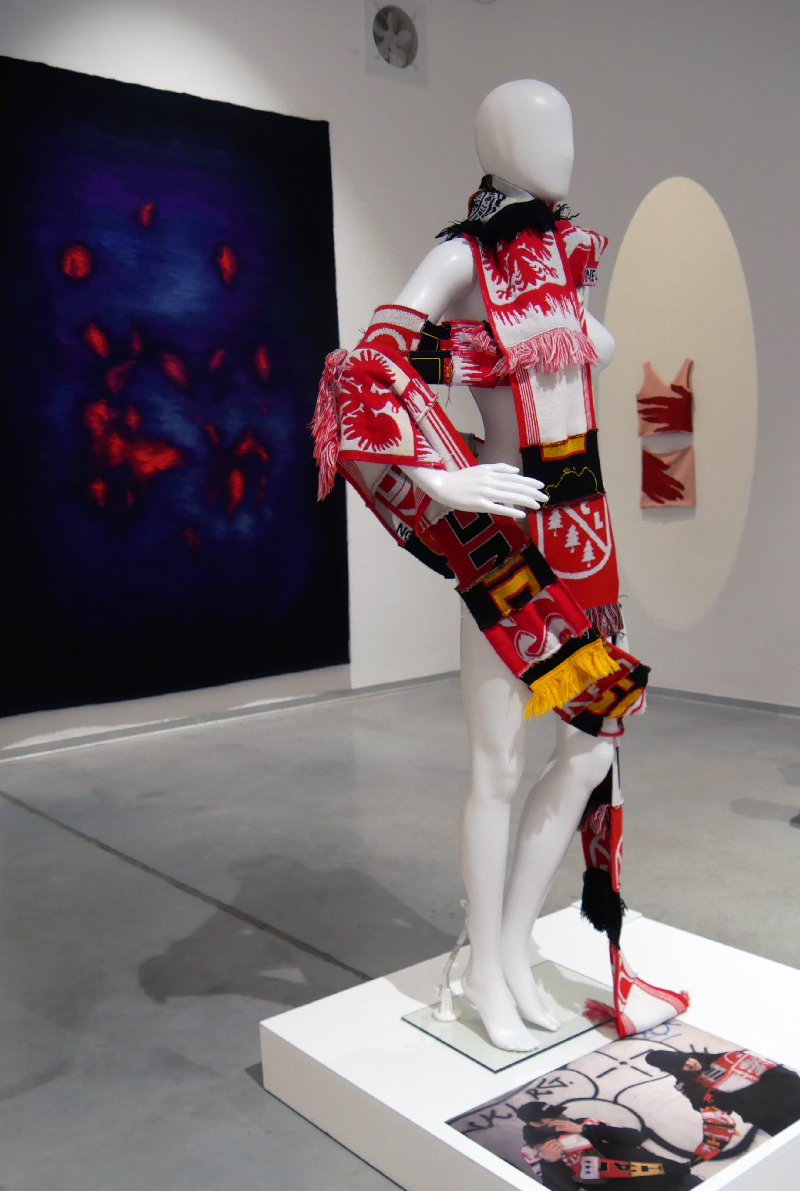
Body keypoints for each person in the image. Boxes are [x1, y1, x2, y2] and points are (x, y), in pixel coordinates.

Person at [313, 80, 686, 1050]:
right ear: (500, 143)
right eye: (543, 130)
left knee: (591, 743)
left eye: (565, 127)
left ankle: (514, 940)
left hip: (587, 536)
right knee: (497, 762)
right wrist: (439, 476)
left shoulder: (564, 262)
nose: (563, 147)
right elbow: (369, 363)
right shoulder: (462, 256)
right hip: (510, 547)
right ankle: (486, 962)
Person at [516, 1102, 701, 1190]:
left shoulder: (584, 1122)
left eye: (559, 1113)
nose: (561, 1118)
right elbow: (561, 1188)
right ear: (535, 1124)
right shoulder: (531, 1150)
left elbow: (634, 1138)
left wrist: (585, 1129)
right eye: (553, 1117)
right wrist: (551, 1163)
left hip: (664, 1176)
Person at [647, 1049, 800, 1138]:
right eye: (685, 1066)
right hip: (769, 1118)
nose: (692, 1065)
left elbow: (781, 1074)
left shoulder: (727, 1057)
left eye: (688, 1060)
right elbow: (716, 1110)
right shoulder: (689, 1086)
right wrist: (693, 1086)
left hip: (789, 1098)